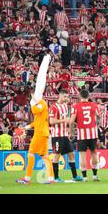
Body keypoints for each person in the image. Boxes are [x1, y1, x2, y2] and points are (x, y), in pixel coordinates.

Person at [16, 54, 54, 185]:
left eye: (33, 95)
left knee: (31, 154)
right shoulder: (41, 104)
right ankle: (50, 178)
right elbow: (35, 121)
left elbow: (34, 110)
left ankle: (27, 179)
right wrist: (25, 127)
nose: (32, 97)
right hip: (43, 133)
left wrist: (32, 103)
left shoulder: (42, 104)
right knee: (45, 156)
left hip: (40, 134)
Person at [49, 89, 82, 182]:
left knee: (71, 154)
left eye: (67, 97)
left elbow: (67, 120)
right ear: (59, 96)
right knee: (56, 156)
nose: (66, 98)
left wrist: (71, 129)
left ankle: (75, 176)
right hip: (57, 135)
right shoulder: (53, 107)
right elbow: (51, 121)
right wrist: (64, 120)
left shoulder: (65, 106)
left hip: (65, 135)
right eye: (65, 96)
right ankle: (55, 177)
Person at [70, 89, 101, 182]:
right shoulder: (94, 105)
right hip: (92, 133)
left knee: (82, 155)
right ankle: (95, 176)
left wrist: (71, 132)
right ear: (89, 96)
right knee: (94, 153)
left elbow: (71, 121)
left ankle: (84, 177)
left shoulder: (75, 106)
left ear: (80, 96)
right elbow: (99, 116)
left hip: (82, 134)